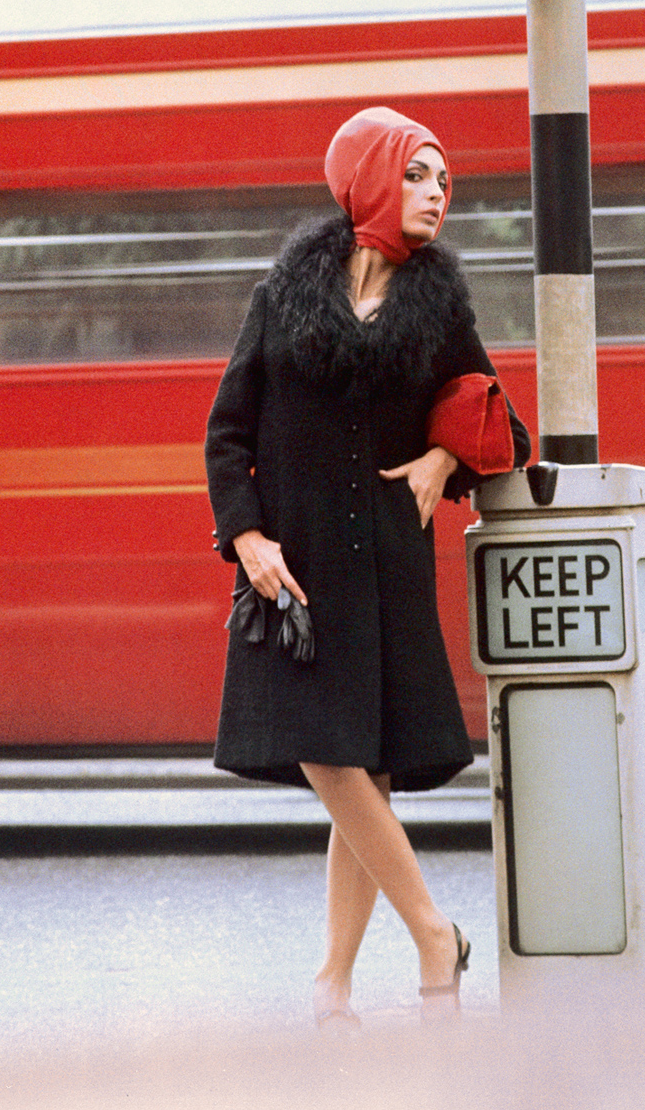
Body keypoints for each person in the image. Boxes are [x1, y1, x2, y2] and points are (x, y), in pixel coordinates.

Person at [204, 106, 530, 1028]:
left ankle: (332, 984)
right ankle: (435, 933)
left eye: (442, 179)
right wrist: (249, 537)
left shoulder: (438, 306)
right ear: (373, 182)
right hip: (296, 575)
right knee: (329, 753)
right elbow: (227, 433)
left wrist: (440, 459)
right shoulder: (283, 296)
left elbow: (496, 417)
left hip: (387, 572)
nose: (437, 193)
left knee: (362, 773)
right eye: (419, 175)